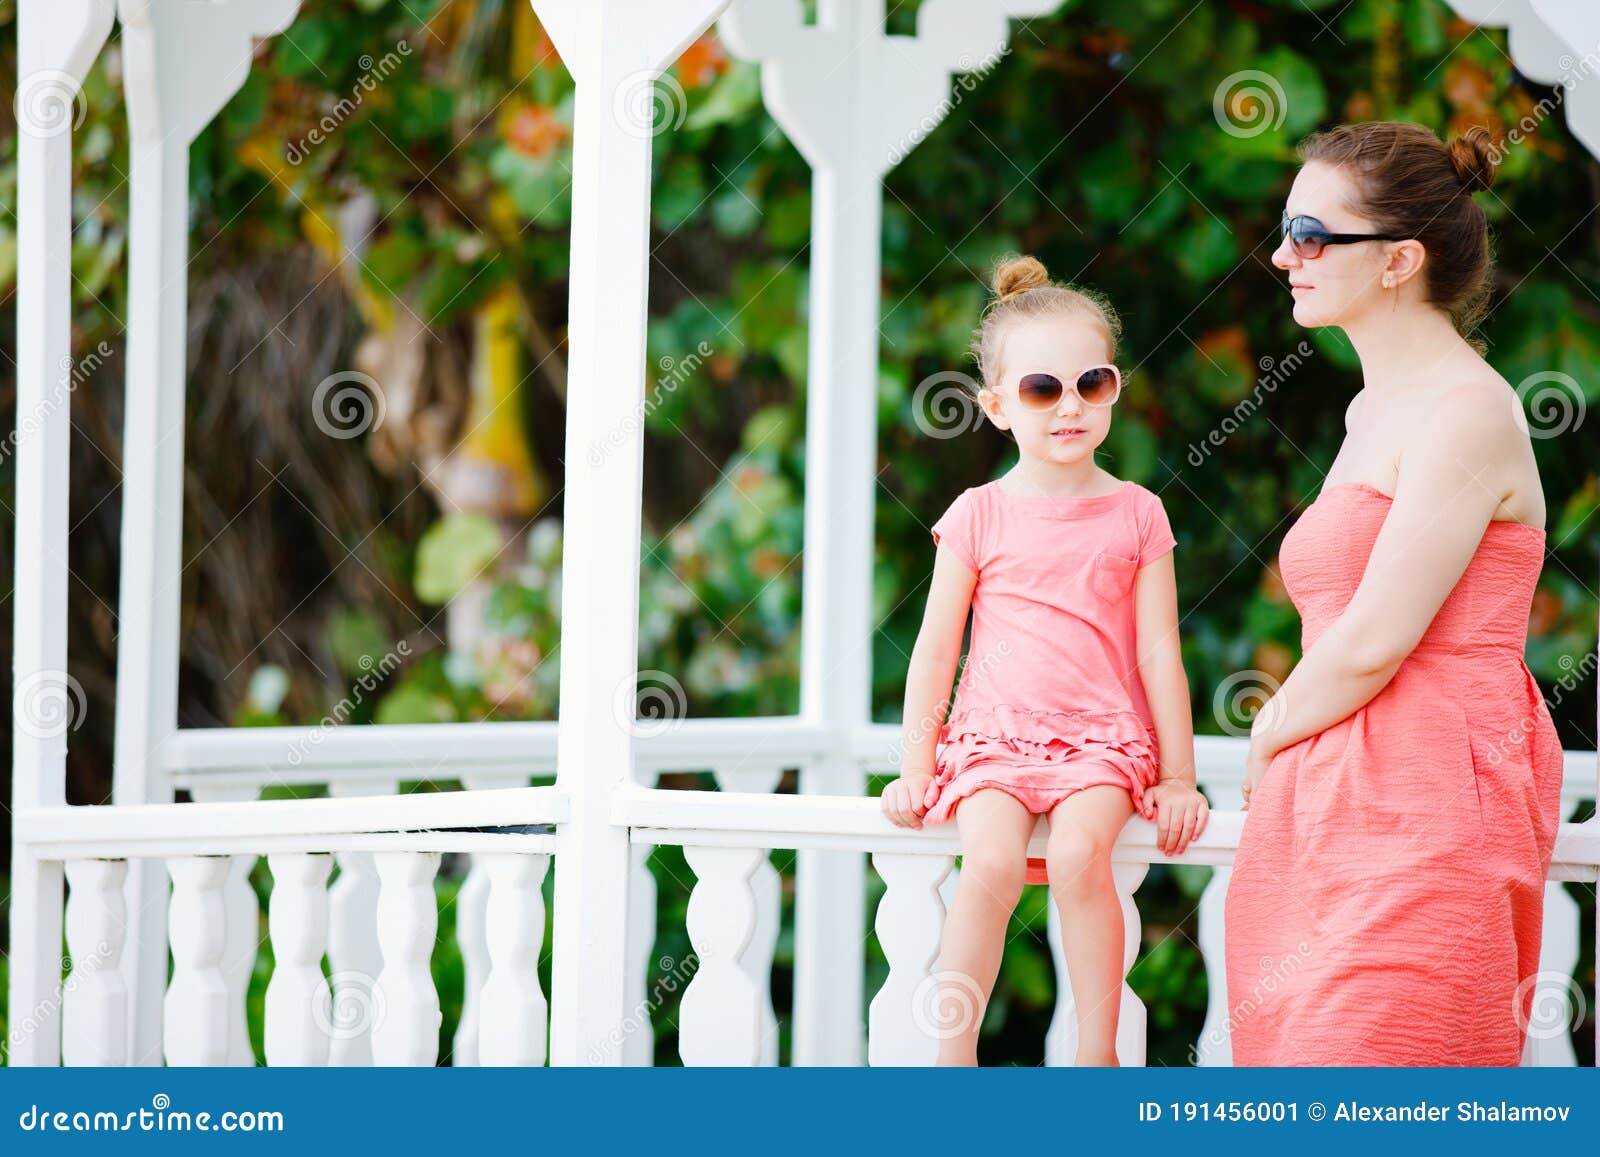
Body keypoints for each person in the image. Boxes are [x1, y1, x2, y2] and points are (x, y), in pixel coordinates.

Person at [1225, 122, 1566, 1065]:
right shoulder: (1371, 409)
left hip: (1428, 813)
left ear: (1399, 260)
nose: (1284, 256)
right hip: (1330, 814)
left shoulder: (1469, 411)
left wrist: (1267, 726)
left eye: (1312, 234)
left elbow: (1378, 635)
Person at [881, 254, 1207, 1066]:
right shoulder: (978, 514)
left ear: (1113, 388)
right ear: (995, 406)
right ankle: (951, 1066)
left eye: (1090, 383)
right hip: (992, 738)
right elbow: (934, 647)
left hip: (1101, 740)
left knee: (1076, 852)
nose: (1069, 406)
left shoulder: (1138, 513)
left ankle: (1098, 1062)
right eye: (1040, 389)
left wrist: (1176, 775)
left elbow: (1161, 651)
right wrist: (915, 764)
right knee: (988, 856)